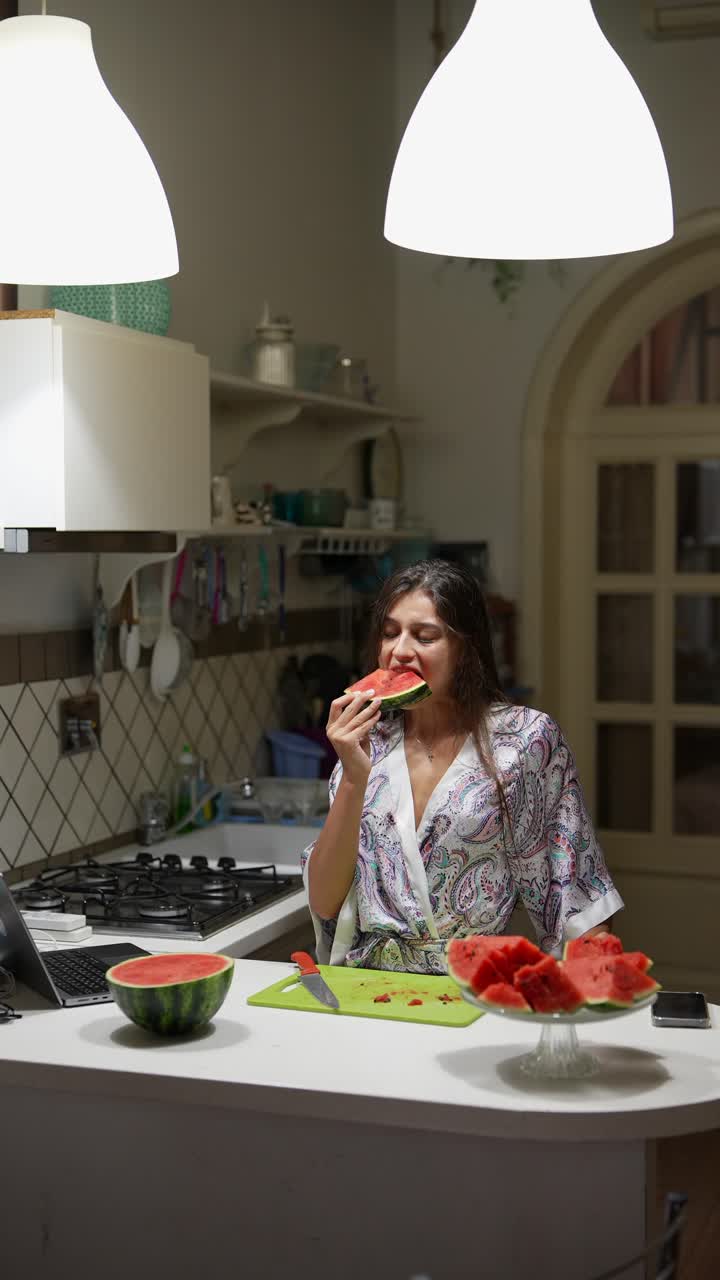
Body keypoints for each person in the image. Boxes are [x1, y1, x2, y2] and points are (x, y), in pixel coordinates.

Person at [302, 559, 623, 974]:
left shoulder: (524, 741)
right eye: (389, 632)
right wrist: (353, 776)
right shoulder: (369, 744)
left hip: (476, 988)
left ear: (465, 648)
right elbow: (325, 901)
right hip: (369, 990)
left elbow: (578, 894)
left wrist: (598, 997)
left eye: (424, 636)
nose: (399, 651)